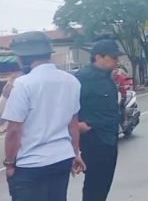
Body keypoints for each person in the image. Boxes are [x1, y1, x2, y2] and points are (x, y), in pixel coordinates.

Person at [2, 31, 86, 201]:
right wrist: (76, 153)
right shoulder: (71, 81)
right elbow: (73, 124)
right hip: (61, 159)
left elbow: (14, 131)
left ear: (25, 58)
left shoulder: (23, 84)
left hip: (30, 165)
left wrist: (9, 163)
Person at [76, 39, 122, 201]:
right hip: (94, 140)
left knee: (103, 185)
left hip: (110, 139)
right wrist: (76, 125)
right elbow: (66, 106)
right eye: (113, 57)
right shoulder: (82, 78)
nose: (117, 61)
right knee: (94, 187)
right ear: (98, 57)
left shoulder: (107, 77)